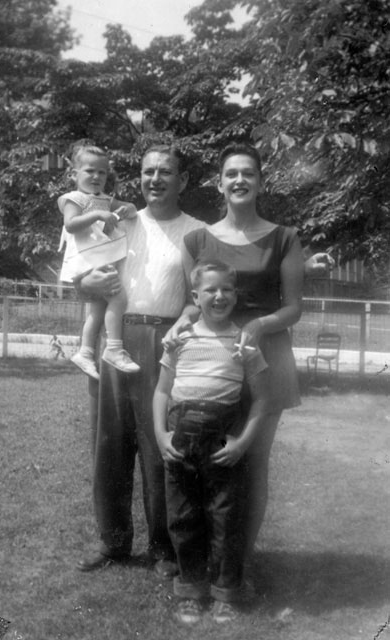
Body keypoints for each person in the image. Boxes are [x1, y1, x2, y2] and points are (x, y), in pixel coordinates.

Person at [165, 142, 305, 595]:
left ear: (261, 182)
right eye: (231, 174)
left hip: (266, 360)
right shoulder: (198, 240)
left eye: (248, 173)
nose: (239, 180)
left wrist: (260, 324)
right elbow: (193, 302)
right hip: (210, 361)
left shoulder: (284, 237)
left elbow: (294, 309)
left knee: (251, 463)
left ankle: (240, 563)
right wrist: (183, 323)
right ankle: (203, 564)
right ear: (220, 183)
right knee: (203, 467)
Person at [76, 144, 205, 576]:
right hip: (117, 335)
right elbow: (85, 271)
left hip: (165, 342)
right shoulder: (122, 221)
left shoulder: (195, 232)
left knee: (158, 446)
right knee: (109, 444)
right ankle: (112, 542)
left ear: (182, 180)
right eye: (148, 171)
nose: (155, 179)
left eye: (165, 172)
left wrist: (181, 325)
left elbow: (199, 299)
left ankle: (163, 547)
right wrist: (84, 283)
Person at [153, 262, 270, 625]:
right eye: (210, 290)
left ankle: (224, 593)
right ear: (195, 297)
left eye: (227, 290)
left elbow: (263, 400)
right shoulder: (179, 339)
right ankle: (190, 589)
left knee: (225, 517)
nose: (219, 296)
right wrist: (160, 434)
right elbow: (160, 391)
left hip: (223, 438)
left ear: (235, 296)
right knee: (184, 515)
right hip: (181, 435)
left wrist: (242, 443)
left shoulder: (244, 342)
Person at [58, 142, 140, 379]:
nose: (96, 176)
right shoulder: (74, 199)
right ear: (74, 174)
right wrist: (95, 214)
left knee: (96, 310)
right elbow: (70, 225)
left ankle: (84, 352)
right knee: (118, 298)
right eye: (89, 171)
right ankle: (114, 348)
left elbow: (130, 209)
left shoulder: (105, 199)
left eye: (102, 172)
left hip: (99, 260)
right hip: (86, 262)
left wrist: (128, 209)